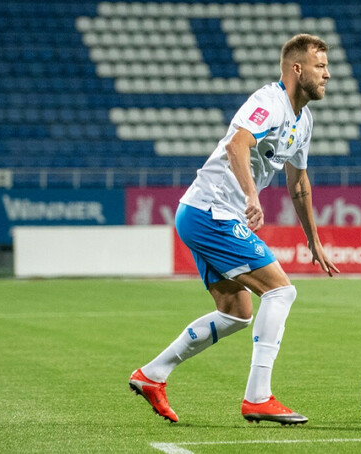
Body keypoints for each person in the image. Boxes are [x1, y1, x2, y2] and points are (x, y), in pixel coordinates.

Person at [129, 34, 339, 425]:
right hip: (211, 212)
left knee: (236, 312)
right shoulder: (269, 102)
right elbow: (237, 145)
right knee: (281, 291)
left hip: (201, 213)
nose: (327, 74)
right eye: (320, 66)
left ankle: (152, 375)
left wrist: (314, 240)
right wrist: (251, 196)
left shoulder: (304, 120)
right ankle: (258, 398)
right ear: (297, 69)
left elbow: (298, 184)